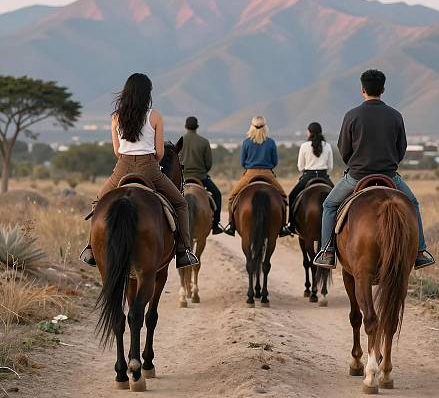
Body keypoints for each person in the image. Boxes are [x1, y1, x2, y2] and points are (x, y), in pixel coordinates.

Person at [314, 69, 435, 270]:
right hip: (389, 176)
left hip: (357, 176)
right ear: (383, 89)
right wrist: (390, 164)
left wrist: (353, 164)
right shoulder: (395, 116)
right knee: (412, 203)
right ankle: (420, 252)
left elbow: (344, 148)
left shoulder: (352, 115)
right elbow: (401, 148)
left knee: (329, 205)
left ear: (362, 89)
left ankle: (327, 252)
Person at [79, 73, 199, 269]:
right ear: (147, 93)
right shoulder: (155, 116)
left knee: (99, 202)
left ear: (126, 92)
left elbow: (117, 151)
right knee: (180, 203)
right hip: (149, 168)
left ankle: (92, 248)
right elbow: (160, 152)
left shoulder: (116, 117)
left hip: (122, 167)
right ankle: (183, 250)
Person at [224, 116, 290, 237]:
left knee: (231, 198)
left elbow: (242, 162)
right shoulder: (270, 142)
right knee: (283, 197)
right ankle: (283, 226)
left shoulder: (246, 142)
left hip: (250, 173)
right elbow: (275, 161)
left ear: (251, 127)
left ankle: (231, 225)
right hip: (268, 173)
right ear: (265, 127)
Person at [287, 122, 334, 234]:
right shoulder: (327, 146)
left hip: (308, 176)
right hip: (323, 176)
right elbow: (330, 166)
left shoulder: (304, 146)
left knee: (292, 196)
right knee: (338, 199)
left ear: (309, 132)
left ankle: (291, 225)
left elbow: (300, 167)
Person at [181, 116, 223, 235]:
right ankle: (215, 225)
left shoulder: (179, 141)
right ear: (197, 127)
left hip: (183, 179)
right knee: (217, 194)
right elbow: (208, 163)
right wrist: (202, 171)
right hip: (201, 177)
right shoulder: (204, 142)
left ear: (185, 127)